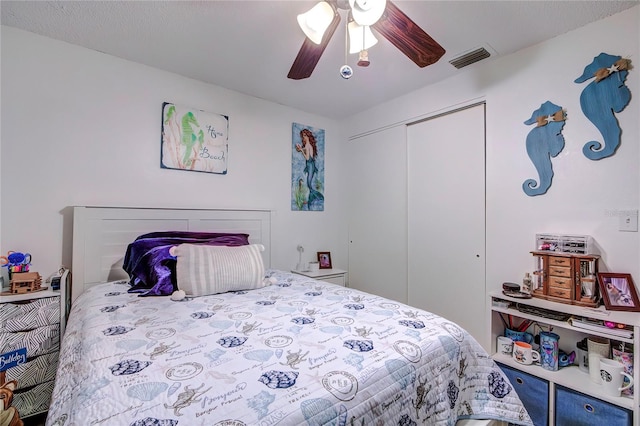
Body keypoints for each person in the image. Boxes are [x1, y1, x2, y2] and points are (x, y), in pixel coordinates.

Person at [295, 129, 324, 210]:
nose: (303, 137)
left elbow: (307, 158)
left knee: (308, 184)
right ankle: (312, 198)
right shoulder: (307, 145)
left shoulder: (308, 145)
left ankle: (315, 197)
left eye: (305, 135)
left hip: (310, 165)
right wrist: (300, 149)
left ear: (308, 136)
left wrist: (301, 151)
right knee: (308, 183)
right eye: (302, 136)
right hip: (309, 165)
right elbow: (302, 150)